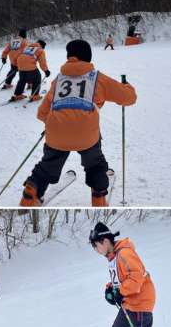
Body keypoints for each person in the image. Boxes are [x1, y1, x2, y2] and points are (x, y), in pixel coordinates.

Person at [20, 39, 136, 206]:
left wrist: (52, 124)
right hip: (86, 136)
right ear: (88, 57)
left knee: (48, 165)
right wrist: (127, 86)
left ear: (69, 57)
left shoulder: (59, 80)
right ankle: (98, 196)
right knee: (95, 164)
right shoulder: (97, 78)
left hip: (56, 134)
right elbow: (129, 98)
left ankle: (31, 191)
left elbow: (42, 113)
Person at [89, 221, 168, 327]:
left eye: (96, 246)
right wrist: (111, 290)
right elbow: (120, 278)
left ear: (105, 241)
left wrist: (120, 291)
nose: (96, 250)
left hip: (140, 300)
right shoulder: (113, 256)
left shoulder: (124, 253)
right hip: (129, 299)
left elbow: (136, 276)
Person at [10, 39, 49, 103]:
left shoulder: (27, 47)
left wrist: (14, 65)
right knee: (37, 78)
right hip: (29, 65)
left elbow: (17, 55)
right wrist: (46, 70)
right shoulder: (40, 50)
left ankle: (18, 94)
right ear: (42, 46)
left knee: (22, 80)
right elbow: (42, 62)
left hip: (20, 65)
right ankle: (35, 95)